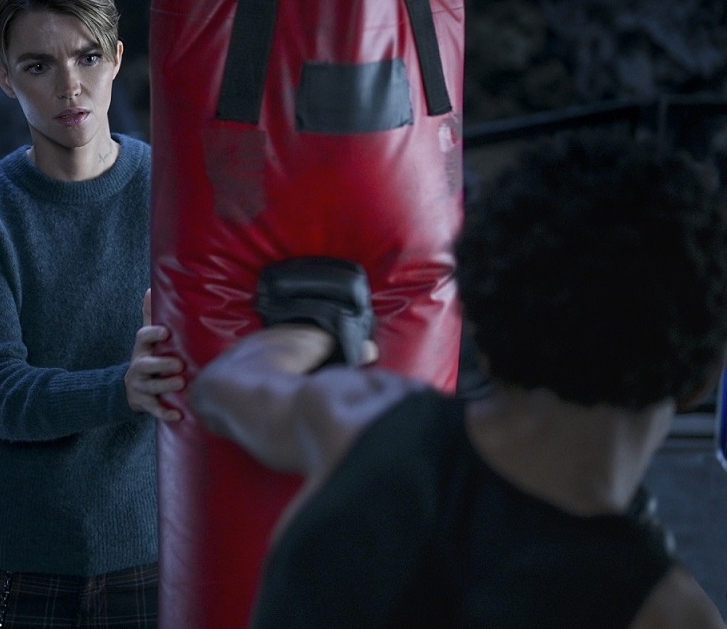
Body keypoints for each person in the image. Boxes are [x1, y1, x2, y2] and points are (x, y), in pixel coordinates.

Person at [190, 131, 727, 628]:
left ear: (486, 338)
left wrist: (314, 332)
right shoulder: (666, 612)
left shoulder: (362, 417)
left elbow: (224, 386)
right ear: (702, 380)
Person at [0, 0, 184, 628]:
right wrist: (124, 386)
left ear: (117, 58)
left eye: (87, 57)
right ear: (5, 79)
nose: (71, 86)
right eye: (39, 66)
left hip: (147, 554)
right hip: (2, 560)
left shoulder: (178, 188)